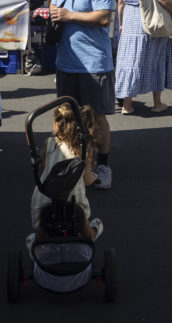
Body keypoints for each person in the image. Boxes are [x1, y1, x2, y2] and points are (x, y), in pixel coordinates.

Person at [45, 0, 115, 189]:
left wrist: (68, 15)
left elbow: (104, 17)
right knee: (66, 116)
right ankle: (69, 162)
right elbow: (55, 4)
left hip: (93, 63)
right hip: (67, 62)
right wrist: (53, 11)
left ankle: (103, 164)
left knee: (96, 117)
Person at [30, 103, 103, 242]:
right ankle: (91, 234)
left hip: (44, 198)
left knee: (44, 220)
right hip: (72, 203)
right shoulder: (84, 148)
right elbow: (87, 180)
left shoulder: (49, 143)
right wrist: (95, 176)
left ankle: (37, 242)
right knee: (78, 213)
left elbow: (43, 165)